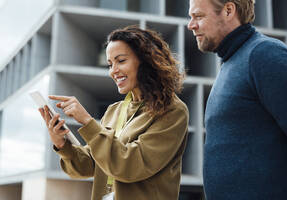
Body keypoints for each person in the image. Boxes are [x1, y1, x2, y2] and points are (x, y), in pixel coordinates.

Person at [179, 0, 287, 200]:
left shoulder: (264, 55)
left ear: (229, 11)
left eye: (198, 15)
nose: (191, 25)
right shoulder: (230, 64)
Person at [38, 26, 188, 200]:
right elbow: (90, 165)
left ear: (145, 61)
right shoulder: (114, 111)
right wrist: (62, 144)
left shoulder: (173, 111)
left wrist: (88, 122)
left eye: (121, 61)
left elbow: (131, 166)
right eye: (110, 64)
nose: (113, 71)